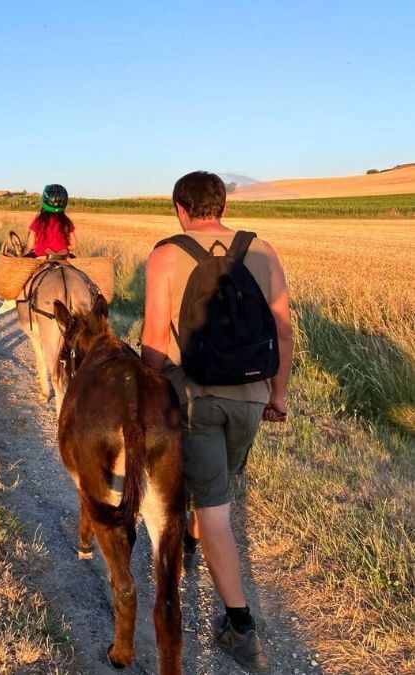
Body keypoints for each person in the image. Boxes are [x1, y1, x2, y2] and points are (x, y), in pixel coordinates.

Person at [140, 171, 292, 672]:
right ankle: (192, 538)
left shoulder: (167, 254)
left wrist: (145, 390)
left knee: (214, 507)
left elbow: (156, 340)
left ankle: (240, 627)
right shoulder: (262, 249)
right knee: (219, 488)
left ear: (181, 208)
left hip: (198, 398)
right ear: (221, 205)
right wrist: (278, 395)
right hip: (251, 396)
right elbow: (283, 331)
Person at [0, 183, 77, 313]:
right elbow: (74, 245)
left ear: (45, 201)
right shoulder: (67, 222)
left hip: (41, 257)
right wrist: (62, 246)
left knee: (19, 273)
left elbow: (30, 246)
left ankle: (11, 300)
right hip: (65, 257)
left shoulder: (39, 221)